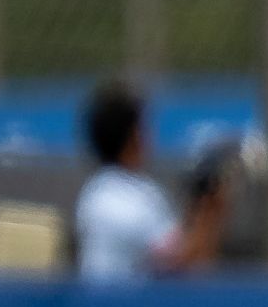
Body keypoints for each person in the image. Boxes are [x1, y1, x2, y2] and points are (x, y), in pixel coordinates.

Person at [72, 79, 225, 284]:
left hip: (97, 301)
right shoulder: (135, 198)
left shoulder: (93, 193)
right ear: (133, 135)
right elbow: (183, 264)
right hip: (128, 303)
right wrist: (211, 210)